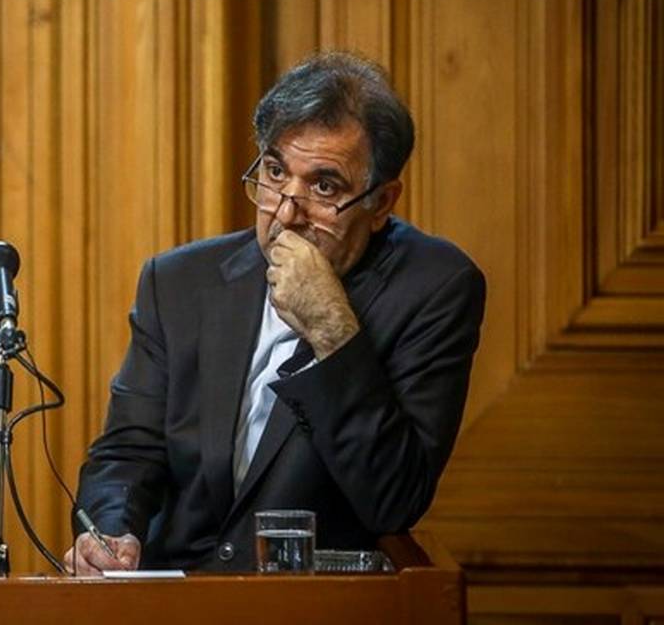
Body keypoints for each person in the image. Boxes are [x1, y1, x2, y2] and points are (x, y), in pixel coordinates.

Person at [64, 52, 486, 574]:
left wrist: (332, 329)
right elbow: (128, 453)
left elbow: (394, 500)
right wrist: (111, 532)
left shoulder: (434, 288)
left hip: (314, 599)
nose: (286, 213)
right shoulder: (177, 282)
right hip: (177, 592)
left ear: (381, 203)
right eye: (275, 172)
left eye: (324, 186)